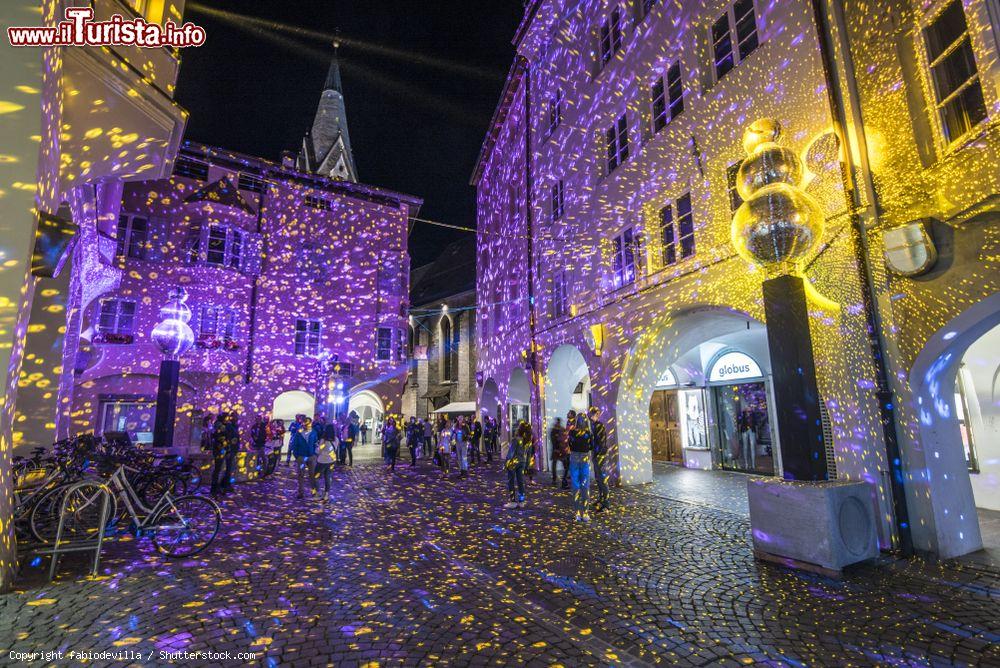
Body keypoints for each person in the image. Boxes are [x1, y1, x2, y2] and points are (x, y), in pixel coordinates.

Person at [569, 413, 593, 522]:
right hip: (584, 459)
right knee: (585, 486)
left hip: (574, 458)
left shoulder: (572, 432)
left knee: (576, 486)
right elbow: (591, 446)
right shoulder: (588, 433)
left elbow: (570, 445)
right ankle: (585, 512)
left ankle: (577, 513)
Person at [504, 421, 532, 508]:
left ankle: (512, 502)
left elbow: (511, 453)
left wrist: (506, 462)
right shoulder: (528, 441)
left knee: (511, 482)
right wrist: (527, 466)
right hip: (522, 462)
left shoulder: (516, 440)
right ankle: (521, 501)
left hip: (513, 462)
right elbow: (528, 455)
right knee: (521, 482)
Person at [588, 406, 610, 512]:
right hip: (596, 454)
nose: (590, 417)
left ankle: (606, 503)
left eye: (592, 415)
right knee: (598, 478)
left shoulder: (599, 426)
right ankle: (601, 498)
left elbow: (600, 442)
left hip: (600, 454)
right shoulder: (593, 425)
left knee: (602, 478)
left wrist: (596, 452)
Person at [291, 417, 318, 499]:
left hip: (311, 457)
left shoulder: (313, 432)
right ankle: (301, 492)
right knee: (301, 475)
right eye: (305, 423)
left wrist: (315, 454)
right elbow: (294, 444)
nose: (306, 425)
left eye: (308, 423)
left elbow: (316, 443)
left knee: (312, 475)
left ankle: (314, 491)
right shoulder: (299, 433)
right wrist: (297, 456)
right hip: (301, 457)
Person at [314, 427, 335, 502]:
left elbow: (318, 451)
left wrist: (316, 446)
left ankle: (318, 493)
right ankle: (326, 494)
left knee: (315, 476)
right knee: (328, 477)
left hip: (322, 461)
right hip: (331, 460)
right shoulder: (336, 439)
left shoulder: (324, 441)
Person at [221, 411, 240, 494]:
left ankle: (226, 484)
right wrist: (228, 449)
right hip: (230, 450)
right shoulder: (229, 426)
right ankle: (225, 485)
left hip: (234, 449)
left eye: (237, 416)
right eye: (235, 416)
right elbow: (228, 438)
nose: (236, 418)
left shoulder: (235, 426)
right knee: (228, 468)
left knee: (230, 468)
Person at [550, 417, 570, 489]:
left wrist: (555, 448)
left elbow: (553, 440)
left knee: (556, 464)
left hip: (558, 450)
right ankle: (562, 479)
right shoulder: (561, 429)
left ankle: (555, 479)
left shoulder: (554, 430)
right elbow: (566, 439)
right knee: (564, 465)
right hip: (562, 450)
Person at [250, 414, 268, 479]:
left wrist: (260, 439)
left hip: (262, 445)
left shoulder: (264, 426)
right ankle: (258, 471)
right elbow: (252, 434)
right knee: (257, 459)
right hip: (256, 444)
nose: (258, 420)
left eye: (259, 419)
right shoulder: (254, 426)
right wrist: (254, 438)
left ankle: (264, 472)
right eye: (257, 419)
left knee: (263, 459)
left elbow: (266, 435)